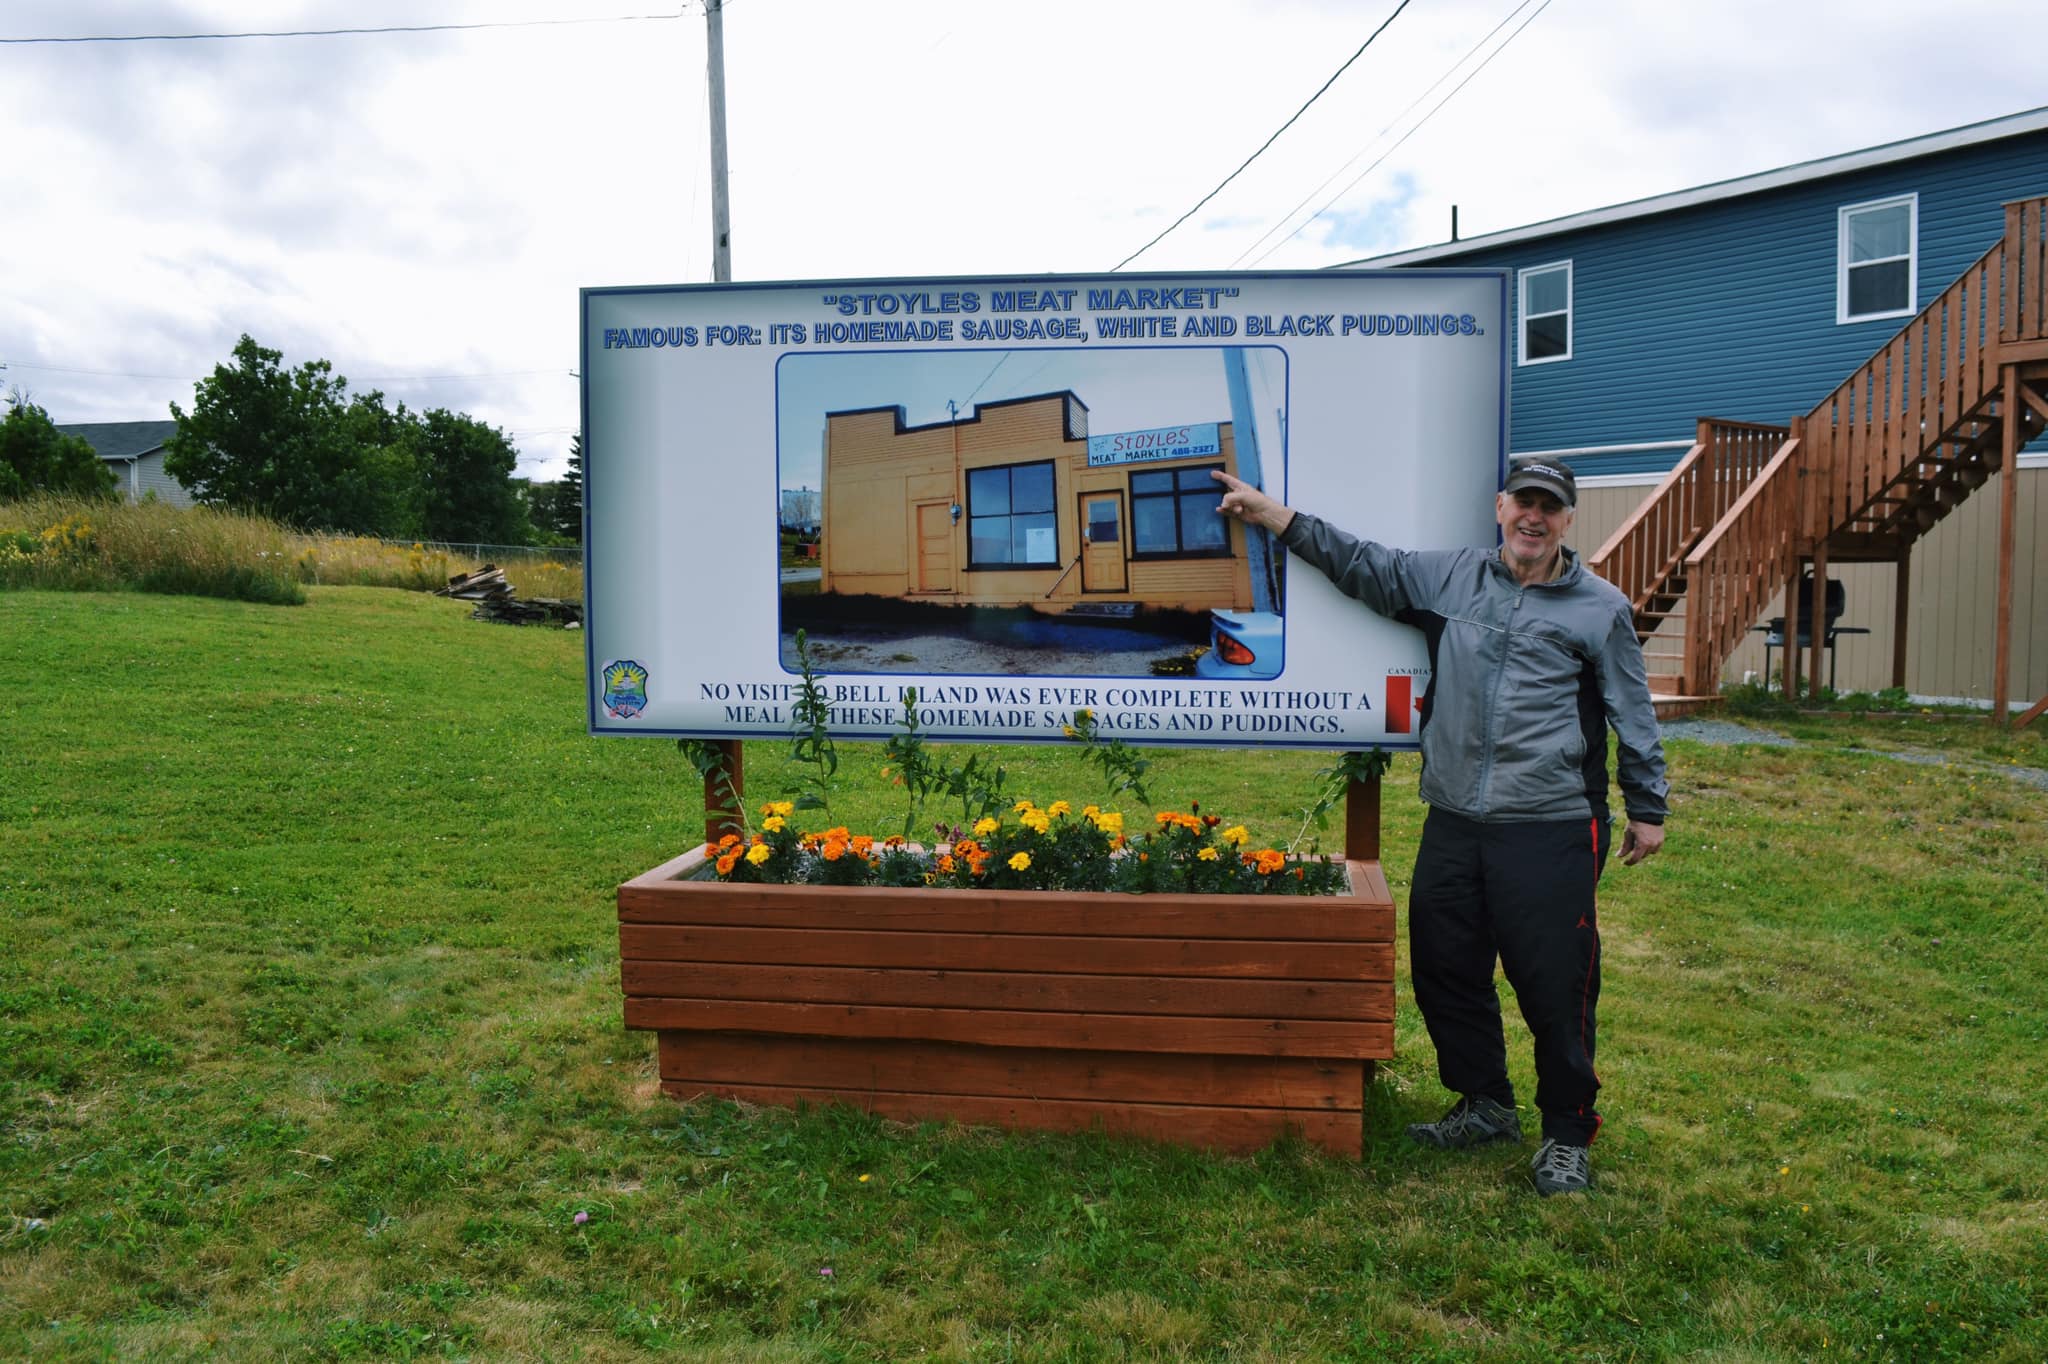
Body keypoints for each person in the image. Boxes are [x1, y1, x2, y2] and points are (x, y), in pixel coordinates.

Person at [1212, 458, 1667, 1197]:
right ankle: (1486, 1102)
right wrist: (1271, 515)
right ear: (1500, 506)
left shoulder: (1599, 607)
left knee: (1556, 986)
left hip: (1548, 824)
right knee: (1444, 968)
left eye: (1550, 508)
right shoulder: (1451, 578)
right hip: (1454, 817)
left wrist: (1646, 807)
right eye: (1524, 501)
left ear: (1567, 520)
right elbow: (1362, 563)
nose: (1534, 518)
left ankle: (1567, 1132)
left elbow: (1631, 710)